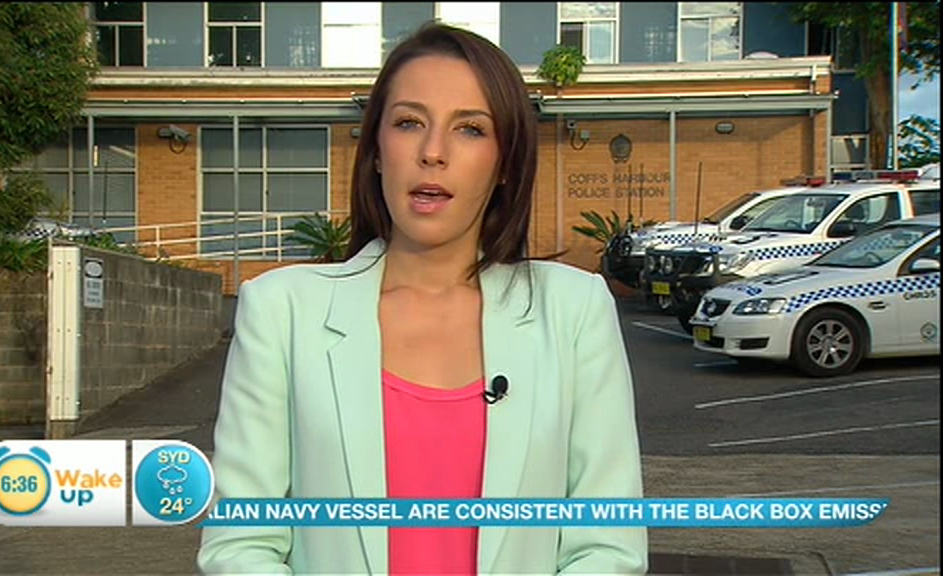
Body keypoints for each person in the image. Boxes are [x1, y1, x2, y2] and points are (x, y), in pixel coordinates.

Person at [198, 21, 647, 575]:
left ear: (506, 164)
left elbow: (607, 547)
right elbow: (241, 544)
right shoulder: (281, 312)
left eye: (470, 129)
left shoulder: (574, 311)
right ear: (376, 151)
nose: (433, 152)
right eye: (409, 123)